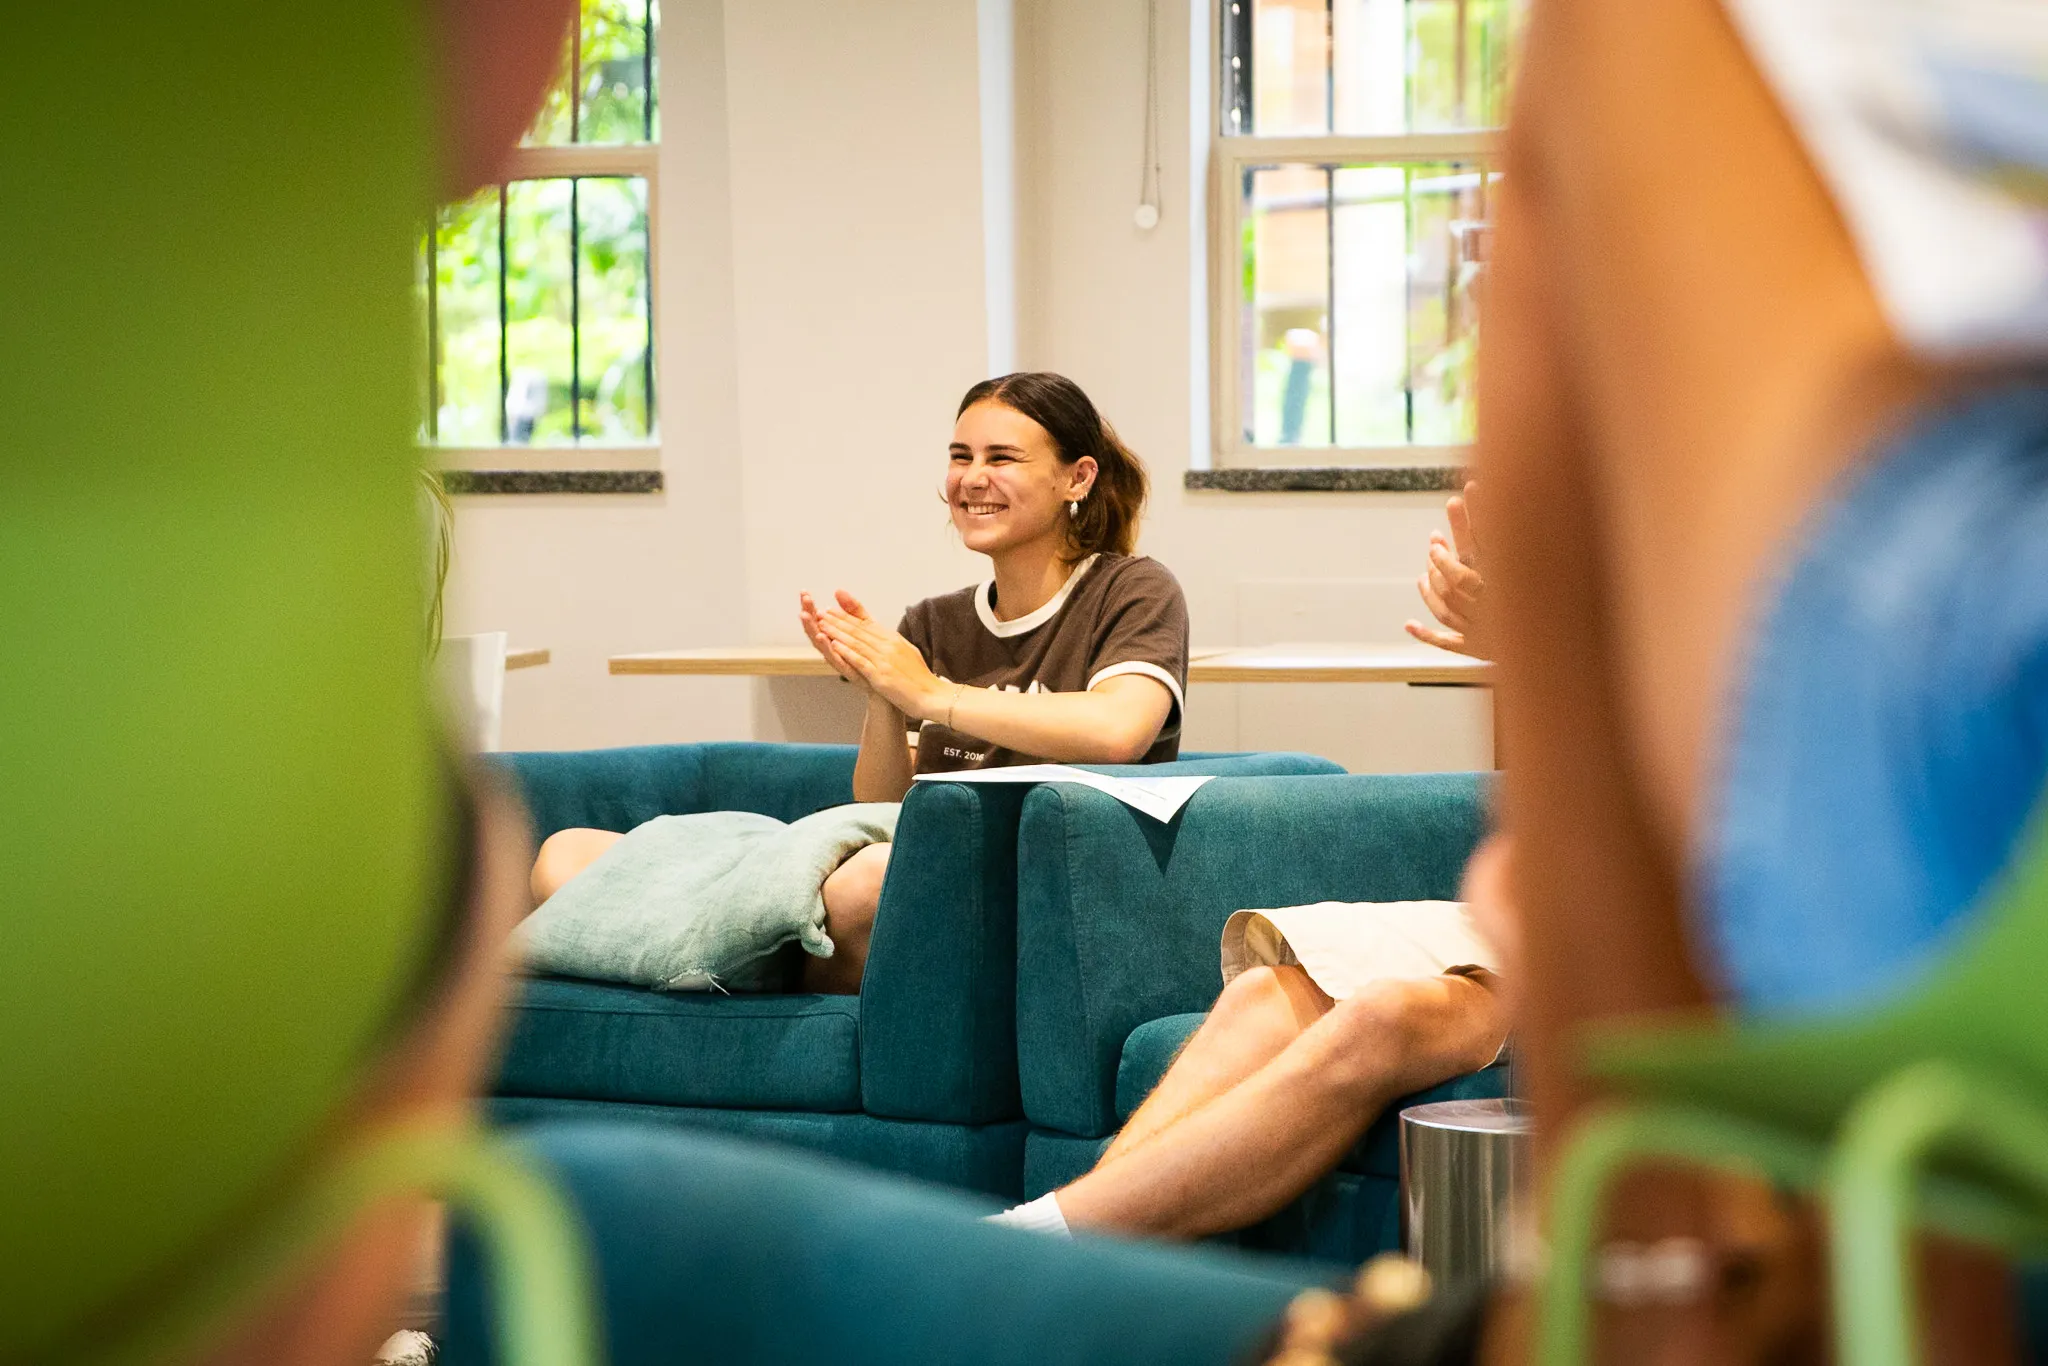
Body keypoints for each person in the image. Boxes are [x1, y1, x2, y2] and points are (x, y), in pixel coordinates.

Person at [531, 371, 1192, 993]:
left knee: (869, 883)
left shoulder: (1132, 590)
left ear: (1076, 478)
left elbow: (1117, 731)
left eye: (1002, 458)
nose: (972, 479)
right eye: (961, 456)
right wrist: (883, 690)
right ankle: (737, 949)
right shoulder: (936, 621)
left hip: (1033, 879)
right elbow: (884, 800)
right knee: (567, 856)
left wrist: (935, 695)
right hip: (913, 857)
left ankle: (722, 952)